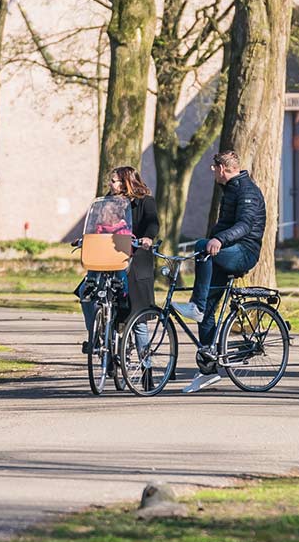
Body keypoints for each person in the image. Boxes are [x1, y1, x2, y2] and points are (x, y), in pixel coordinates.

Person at [179, 150, 266, 394]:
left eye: (213, 168)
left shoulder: (247, 191)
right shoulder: (230, 189)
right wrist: (217, 238)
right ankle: (207, 370)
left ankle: (195, 304)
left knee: (201, 246)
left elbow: (245, 225)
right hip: (229, 248)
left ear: (222, 169)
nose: (212, 172)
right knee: (208, 309)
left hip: (244, 252)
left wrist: (218, 239)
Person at [76, 165, 160, 345]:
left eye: (113, 181)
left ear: (125, 182)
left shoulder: (145, 201)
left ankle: (145, 366)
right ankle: (96, 337)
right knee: (86, 293)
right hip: (107, 256)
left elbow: (152, 222)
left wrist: (147, 237)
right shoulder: (107, 201)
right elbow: (97, 224)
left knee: (137, 318)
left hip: (134, 258)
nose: (110, 184)